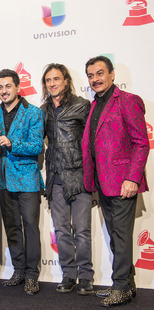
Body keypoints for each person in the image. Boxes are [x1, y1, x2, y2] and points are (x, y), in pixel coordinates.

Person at [82, 56, 149, 307]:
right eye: (90, 75)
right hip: (103, 183)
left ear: (112, 74)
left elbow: (142, 143)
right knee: (115, 237)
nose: (95, 79)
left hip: (123, 183)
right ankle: (126, 285)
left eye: (100, 73)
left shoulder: (129, 101)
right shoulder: (94, 105)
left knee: (120, 237)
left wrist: (132, 178)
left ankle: (120, 287)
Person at [40, 63, 94, 295]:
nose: (52, 83)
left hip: (79, 176)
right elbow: (33, 137)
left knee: (82, 231)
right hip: (55, 178)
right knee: (61, 231)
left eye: (56, 79)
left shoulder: (82, 105)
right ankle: (68, 275)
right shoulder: (42, 111)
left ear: (66, 81)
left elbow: (91, 143)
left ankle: (86, 277)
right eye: (48, 80)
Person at [0, 69, 44, 295]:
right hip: (2, 180)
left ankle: (32, 275)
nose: (4, 91)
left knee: (30, 228)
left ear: (17, 87)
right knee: (12, 228)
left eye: (8, 86)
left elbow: (37, 146)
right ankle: (18, 270)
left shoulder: (33, 112)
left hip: (27, 180)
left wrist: (11, 143)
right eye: (0, 87)